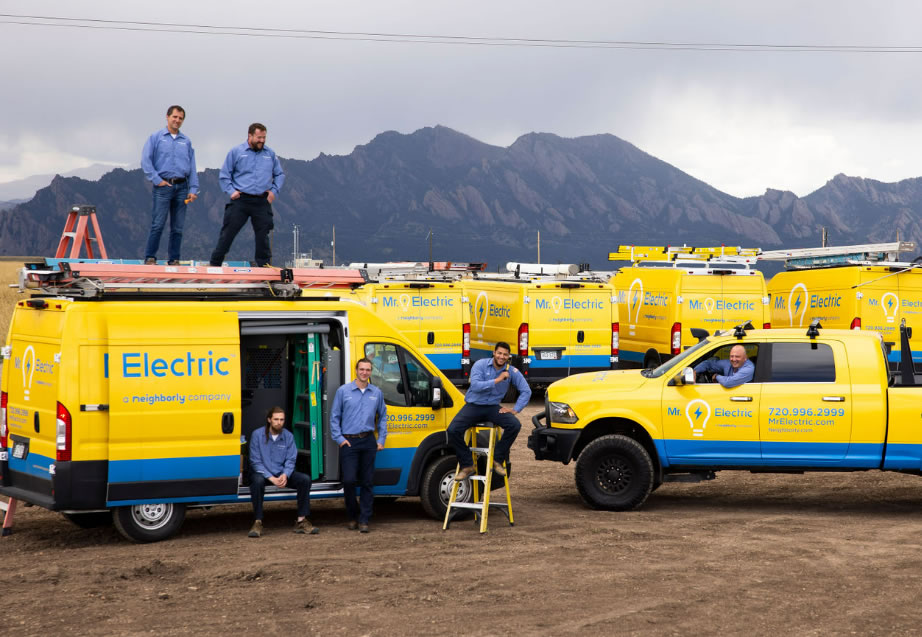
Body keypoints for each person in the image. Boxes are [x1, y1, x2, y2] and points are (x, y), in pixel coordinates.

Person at [447, 341, 531, 481]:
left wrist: (515, 410)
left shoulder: (512, 371)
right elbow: (475, 386)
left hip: (492, 407)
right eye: (499, 353)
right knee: (453, 430)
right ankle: (467, 465)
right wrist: (498, 380)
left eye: (505, 354)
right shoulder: (480, 364)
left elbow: (526, 391)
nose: (501, 357)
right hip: (474, 406)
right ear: (494, 353)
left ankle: (497, 460)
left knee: (515, 425)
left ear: (508, 356)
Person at [209, 123, 285, 267]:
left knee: (263, 235)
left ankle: (264, 266)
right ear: (250, 136)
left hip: (262, 200)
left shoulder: (270, 154)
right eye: (259, 137)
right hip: (241, 200)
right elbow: (225, 175)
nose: (262, 141)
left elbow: (280, 174)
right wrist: (231, 191)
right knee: (228, 233)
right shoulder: (236, 152)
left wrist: (274, 192)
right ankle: (215, 264)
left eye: (264, 138)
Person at [330, 358, 387, 533]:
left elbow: (383, 417)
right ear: (356, 370)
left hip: (368, 441)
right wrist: (339, 439)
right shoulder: (343, 391)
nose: (364, 372)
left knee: (368, 482)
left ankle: (364, 519)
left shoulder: (376, 393)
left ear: (371, 372)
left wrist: (380, 440)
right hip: (349, 441)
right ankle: (352, 516)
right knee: (348, 481)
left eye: (368, 370)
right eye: (361, 369)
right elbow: (334, 417)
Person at [140, 105, 199, 265]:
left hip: (182, 187)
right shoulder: (156, 137)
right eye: (175, 117)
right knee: (158, 224)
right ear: (167, 117)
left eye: (180, 118)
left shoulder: (186, 141)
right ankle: (150, 257)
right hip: (163, 186)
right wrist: (157, 180)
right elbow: (146, 161)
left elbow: (192, 166)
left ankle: (174, 259)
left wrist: (193, 189)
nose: (177, 120)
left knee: (178, 228)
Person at [247, 406, 318, 537]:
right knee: (256, 481)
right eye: (276, 419)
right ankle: (258, 522)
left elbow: (291, 459)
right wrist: (271, 478)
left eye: (282, 420)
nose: (279, 422)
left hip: (281, 474)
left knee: (305, 480)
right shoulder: (257, 435)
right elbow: (255, 461)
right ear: (269, 420)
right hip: (263, 474)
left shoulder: (288, 436)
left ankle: (301, 521)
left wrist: (285, 474)